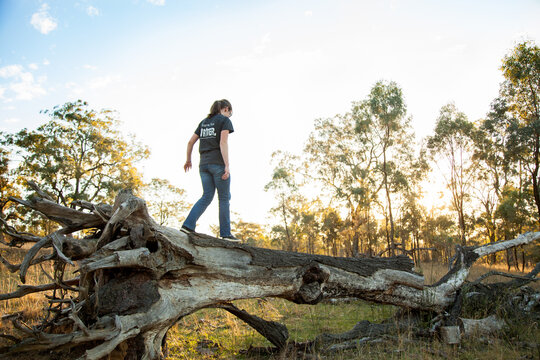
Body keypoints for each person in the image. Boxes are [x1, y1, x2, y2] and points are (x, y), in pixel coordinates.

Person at [181, 99, 240, 241]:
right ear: (226, 109)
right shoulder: (224, 121)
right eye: (229, 112)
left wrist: (188, 160)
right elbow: (223, 142)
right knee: (224, 198)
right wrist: (227, 165)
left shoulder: (203, 122)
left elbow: (190, 142)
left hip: (204, 165)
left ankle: (188, 225)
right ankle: (226, 234)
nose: (229, 115)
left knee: (207, 196)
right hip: (218, 164)